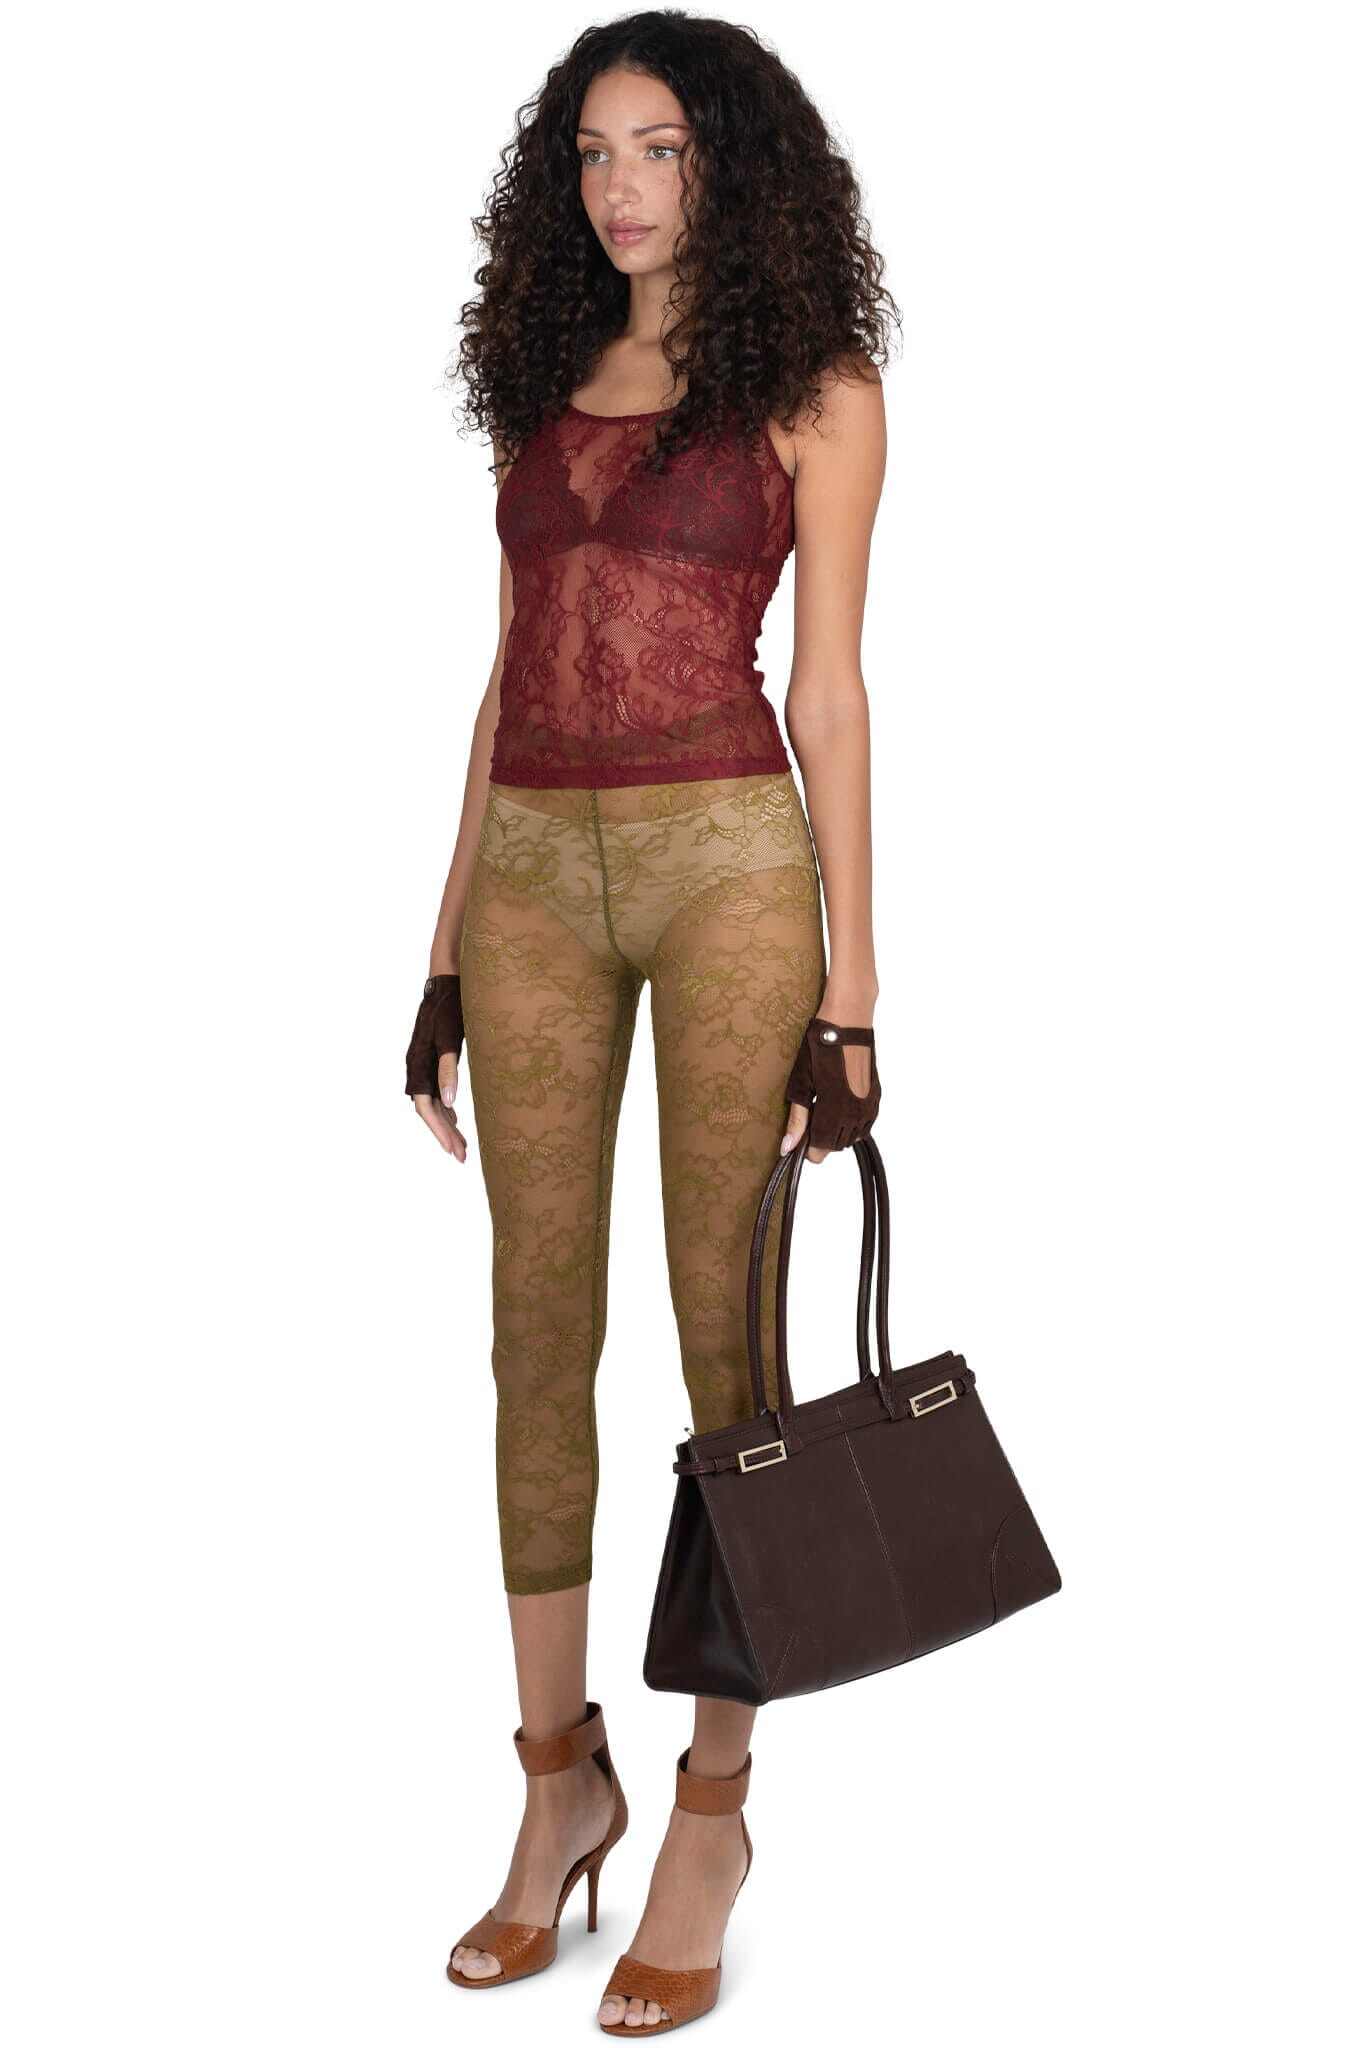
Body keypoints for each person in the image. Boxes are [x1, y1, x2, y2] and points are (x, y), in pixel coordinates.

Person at [404, 10, 897, 2032]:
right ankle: (555, 1785)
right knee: (533, 1328)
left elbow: (829, 689)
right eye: (593, 153)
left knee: (724, 1338)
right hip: (528, 869)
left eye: (660, 149)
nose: (620, 187)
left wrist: (852, 989)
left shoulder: (815, 387)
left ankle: (712, 1801)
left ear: (731, 165)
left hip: (723, 867)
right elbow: (502, 669)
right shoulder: (543, 379)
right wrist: (439, 947)